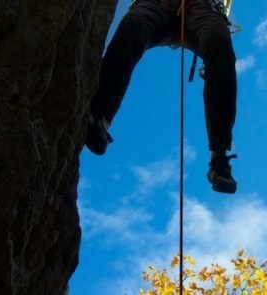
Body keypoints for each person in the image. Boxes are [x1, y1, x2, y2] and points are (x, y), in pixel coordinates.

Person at [85, 0, 238, 194]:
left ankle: (219, 156)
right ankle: (99, 116)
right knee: (132, 26)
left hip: (202, 6)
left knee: (220, 43)